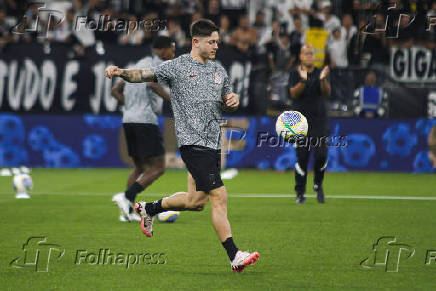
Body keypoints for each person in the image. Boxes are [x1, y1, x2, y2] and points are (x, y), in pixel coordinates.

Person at [105, 19, 259, 273]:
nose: (216, 46)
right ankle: (235, 255)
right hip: (192, 142)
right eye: (212, 41)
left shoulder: (219, 70)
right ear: (195, 41)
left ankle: (148, 208)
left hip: (212, 142)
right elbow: (142, 76)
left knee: (195, 202)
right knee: (219, 196)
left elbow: (227, 99)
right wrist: (121, 72)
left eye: (218, 42)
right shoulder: (176, 67)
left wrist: (233, 99)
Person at [110, 36, 174, 222]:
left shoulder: (135, 65)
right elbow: (151, 83)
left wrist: (129, 106)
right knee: (159, 167)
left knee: (140, 166)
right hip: (145, 121)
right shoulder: (157, 66)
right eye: (172, 48)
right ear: (163, 50)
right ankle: (127, 196)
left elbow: (115, 90)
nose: (173, 53)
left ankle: (127, 213)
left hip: (129, 119)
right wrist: (173, 100)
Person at [288, 44, 331, 204]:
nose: (309, 56)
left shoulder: (322, 73)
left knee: (321, 156)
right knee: (302, 158)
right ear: (300, 56)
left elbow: (327, 93)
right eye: (306, 53)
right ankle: (300, 193)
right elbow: (293, 94)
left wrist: (323, 79)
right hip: (300, 124)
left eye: (311, 53)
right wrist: (303, 80)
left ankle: (318, 185)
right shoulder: (295, 73)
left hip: (319, 122)